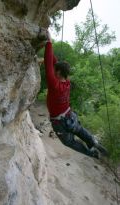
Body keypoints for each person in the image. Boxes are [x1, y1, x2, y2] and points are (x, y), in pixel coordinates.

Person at [43, 31, 108, 159]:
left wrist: (49, 42)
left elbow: (48, 62)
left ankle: (91, 152)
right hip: (70, 116)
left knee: (70, 142)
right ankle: (93, 142)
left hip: (59, 122)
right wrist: (49, 48)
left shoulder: (55, 85)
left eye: (55, 70)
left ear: (59, 72)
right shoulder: (67, 83)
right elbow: (53, 63)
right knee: (79, 130)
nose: (53, 71)